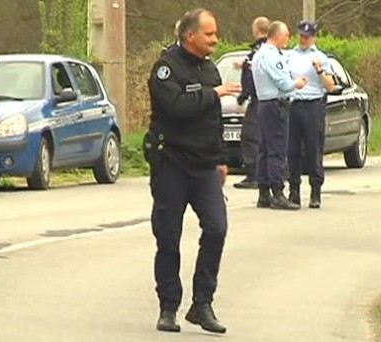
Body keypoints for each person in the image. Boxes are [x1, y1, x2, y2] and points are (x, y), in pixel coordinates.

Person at [145, 8, 241, 334]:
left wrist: (221, 159)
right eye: (209, 34)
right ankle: (168, 307)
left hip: (204, 167)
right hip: (171, 165)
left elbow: (213, 121)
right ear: (190, 36)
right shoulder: (165, 69)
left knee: (217, 229)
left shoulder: (211, 69)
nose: (215, 39)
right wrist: (210, 93)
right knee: (169, 238)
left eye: (215, 34)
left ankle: (202, 304)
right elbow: (175, 109)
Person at [252, 21, 308, 210]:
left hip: (265, 104)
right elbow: (283, 83)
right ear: (277, 35)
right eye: (286, 35)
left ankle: (263, 192)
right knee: (276, 149)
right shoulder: (270, 55)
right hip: (275, 105)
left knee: (265, 149)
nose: (288, 38)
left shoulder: (261, 53)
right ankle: (277, 192)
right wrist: (297, 83)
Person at [287, 21, 338, 209]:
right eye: (301, 36)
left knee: (313, 148)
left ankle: (315, 190)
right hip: (294, 104)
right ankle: (294, 190)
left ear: (314, 37)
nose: (303, 40)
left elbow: (330, 85)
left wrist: (319, 69)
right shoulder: (289, 56)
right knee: (292, 150)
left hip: (313, 105)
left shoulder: (321, 57)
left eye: (307, 37)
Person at [233, 16, 270, 189]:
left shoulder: (258, 50)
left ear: (256, 30)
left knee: (250, 137)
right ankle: (265, 173)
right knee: (265, 137)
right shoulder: (271, 48)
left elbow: (251, 77)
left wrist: (243, 96)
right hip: (269, 100)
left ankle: (253, 174)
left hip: (258, 100)